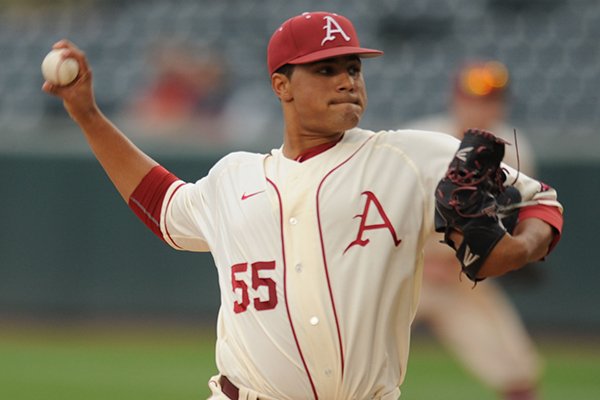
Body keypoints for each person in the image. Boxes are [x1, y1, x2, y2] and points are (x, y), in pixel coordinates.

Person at [42, 11, 563, 400]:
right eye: (325, 69)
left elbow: (543, 202)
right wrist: (87, 114)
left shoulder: (412, 157)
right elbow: (163, 206)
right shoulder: (234, 178)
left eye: (353, 68)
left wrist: (517, 249)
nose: (347, 80)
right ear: (281, 85)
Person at [405, 61, 544, 400]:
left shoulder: (514, 150)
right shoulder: (419, 139)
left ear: (502, 105)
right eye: (472, 99)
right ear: (454, 100)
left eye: (491, 101)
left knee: (519, 372)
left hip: (463, 277)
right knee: (345, 355)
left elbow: (507, 222)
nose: (480, 108)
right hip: (407, 271)